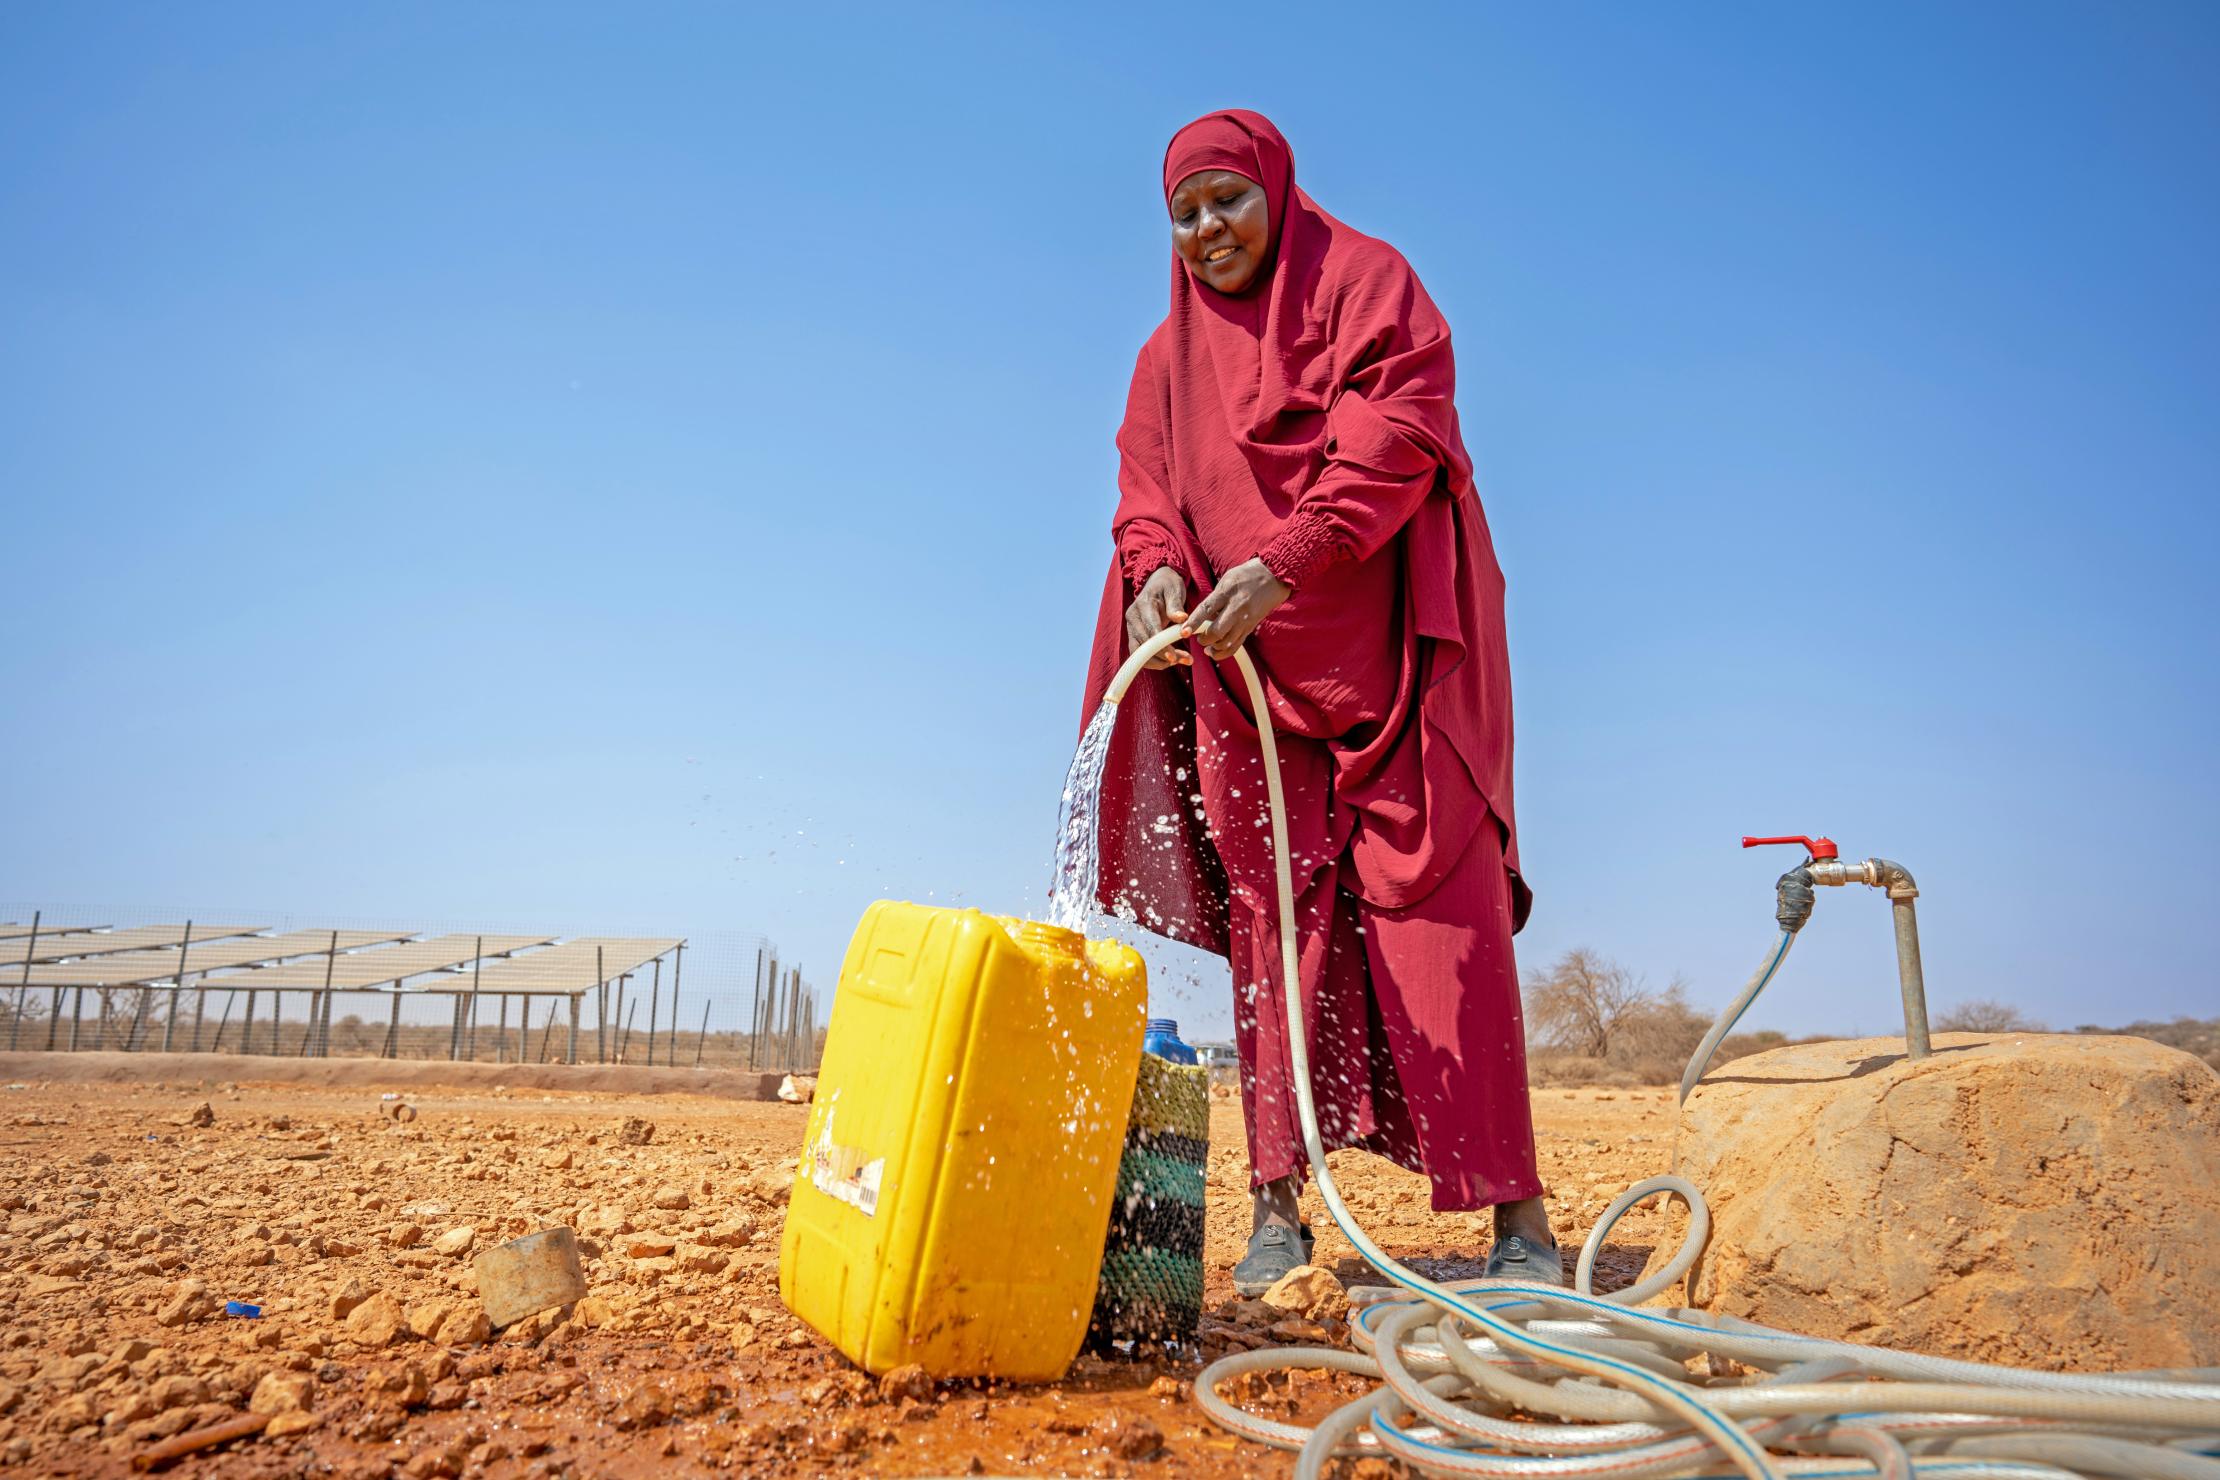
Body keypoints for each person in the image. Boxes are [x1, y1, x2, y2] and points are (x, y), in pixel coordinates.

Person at [1079, 109, 1556, 1294]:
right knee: (1269, 933)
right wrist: (1157, 573)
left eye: (1225, 201)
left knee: (1448, 924)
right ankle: (1280, 1213)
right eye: (1183, 214)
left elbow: (1396, 438)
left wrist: (1285, 558)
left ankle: (1521, 1226)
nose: (1205, 230)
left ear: (1276, 192)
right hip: (1244, 683)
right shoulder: (1162, 362)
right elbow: (1144, 487)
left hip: (1392, 663)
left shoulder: (1366, 286)